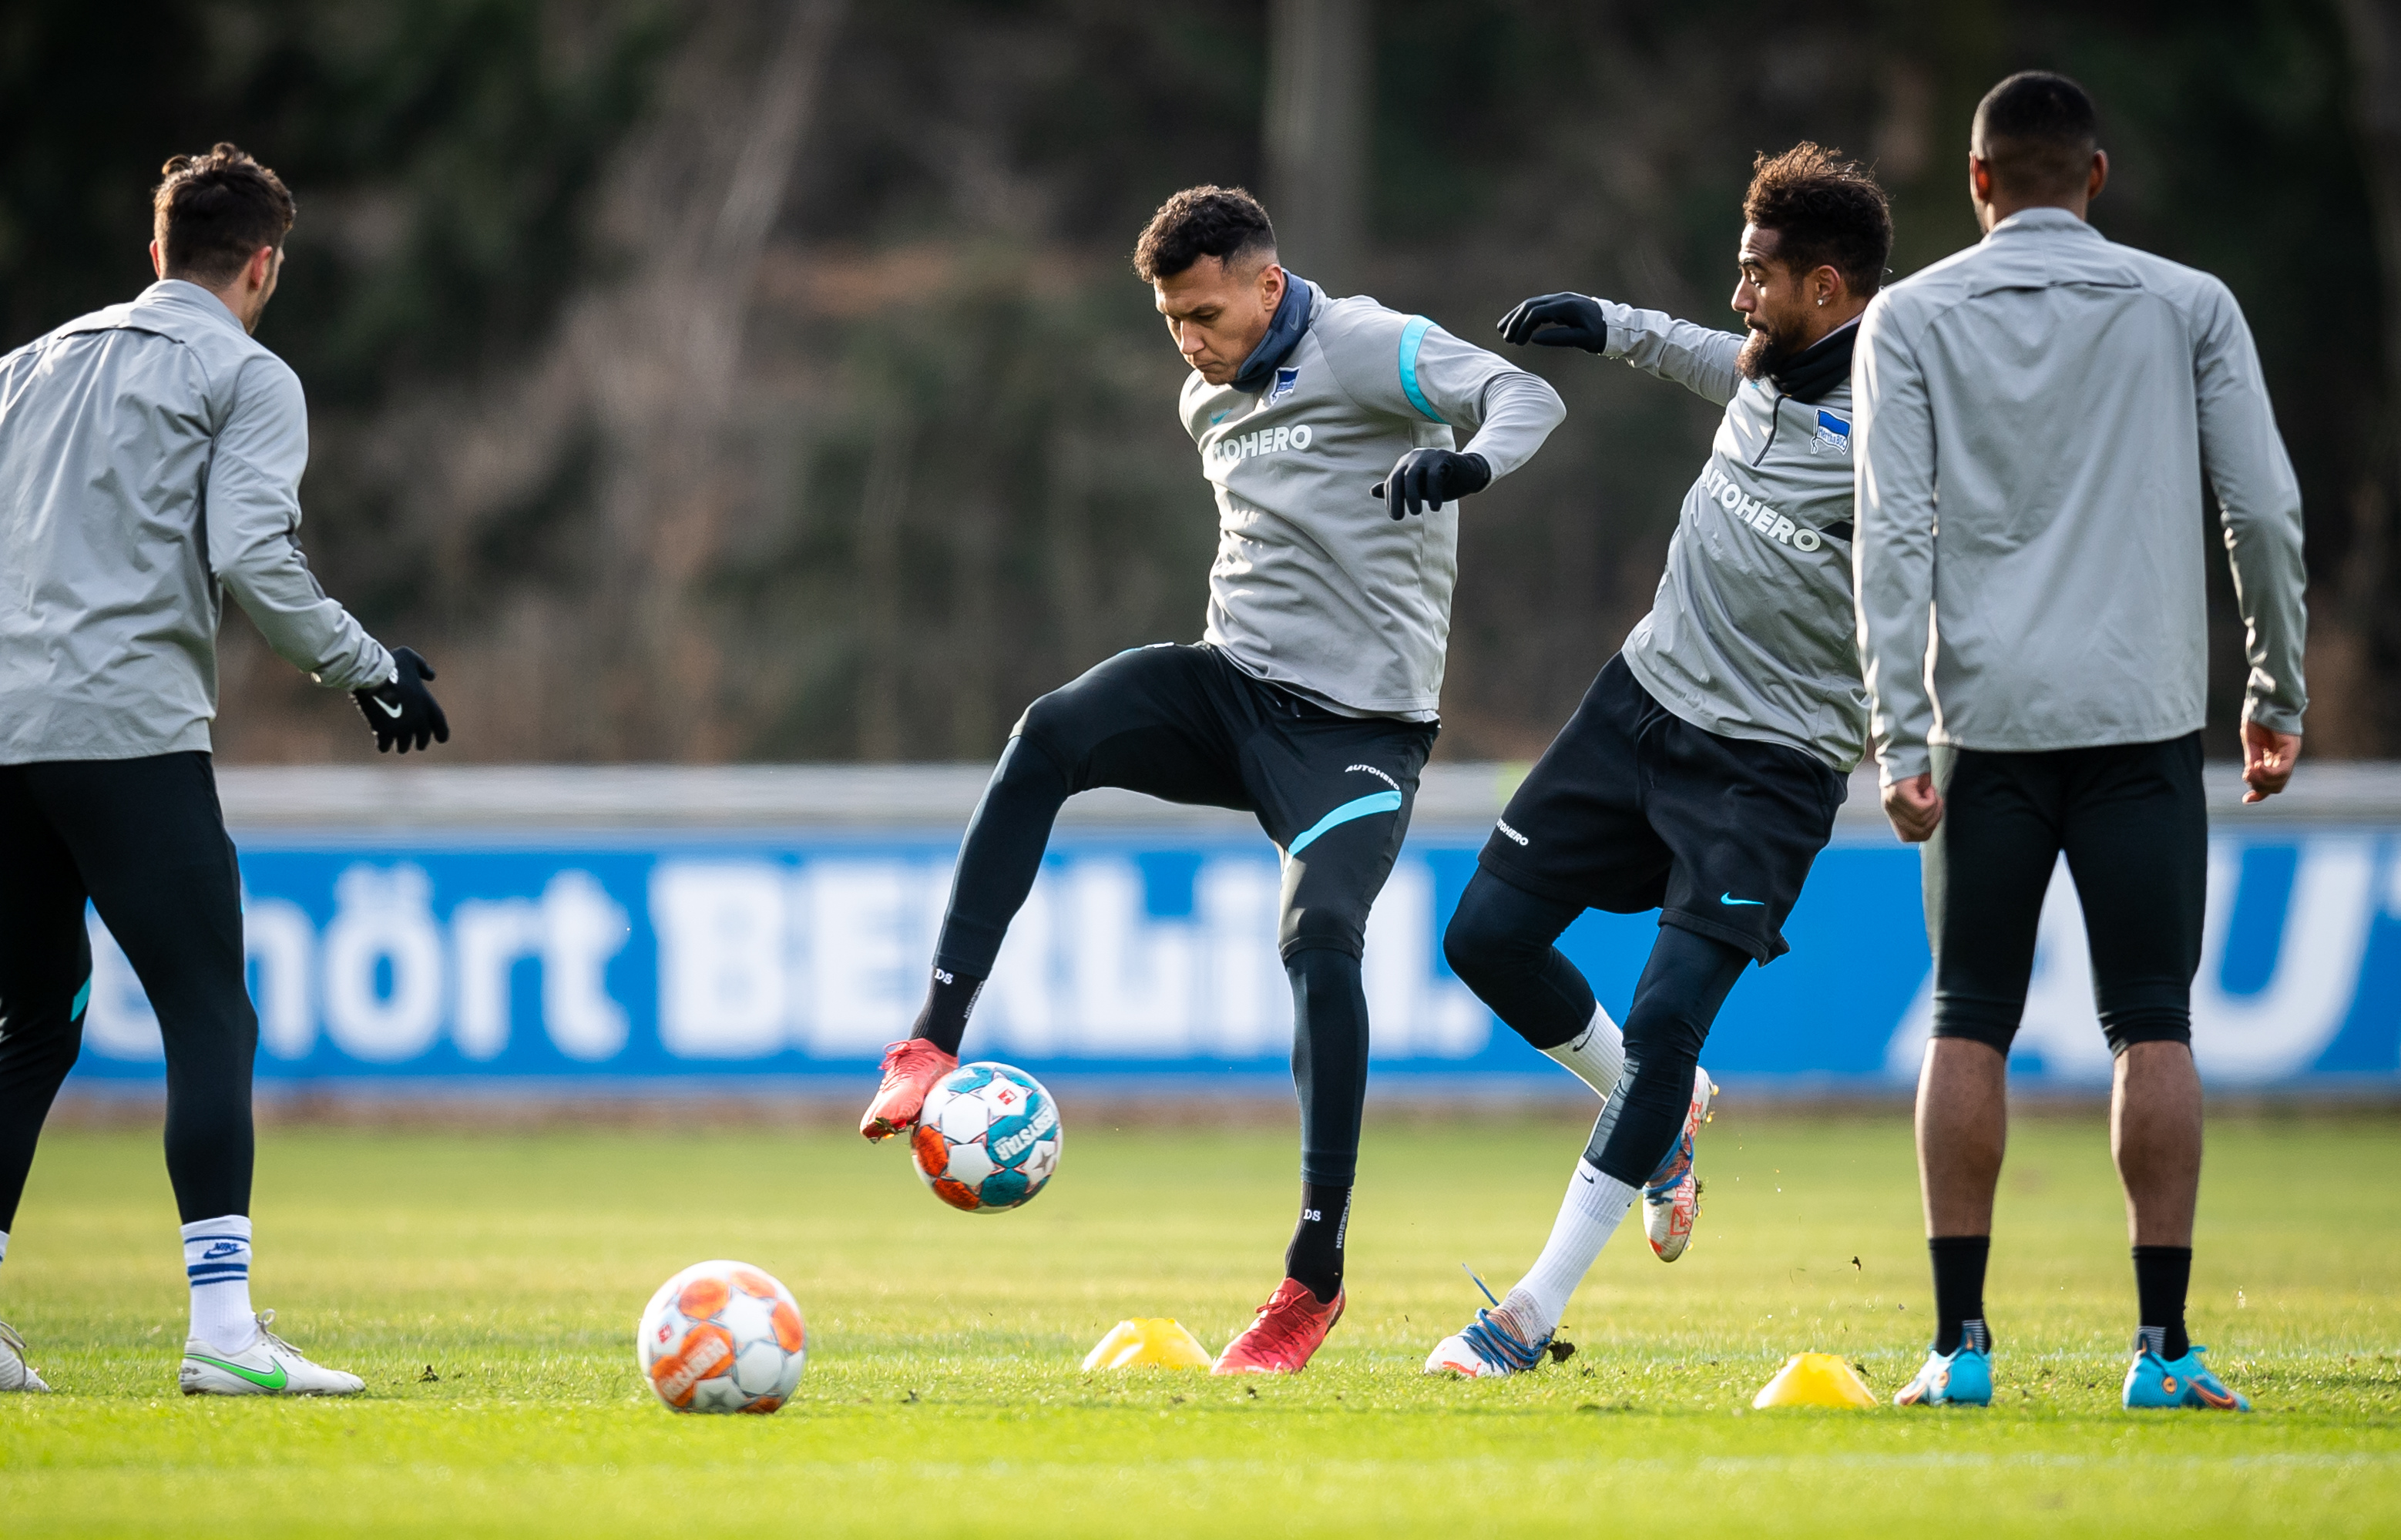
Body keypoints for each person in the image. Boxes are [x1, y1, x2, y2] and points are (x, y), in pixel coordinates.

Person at [856, 185, 1564, 1373]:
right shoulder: (1208, 397)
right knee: (1048, 734)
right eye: (1171, 318)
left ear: (1267, 286)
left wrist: (1470, 468)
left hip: (1358, 733)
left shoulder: (1363, 344)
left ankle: (1313, 1279)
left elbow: (1523, 392)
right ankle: (931, 1039)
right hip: (1231, 689)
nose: (1188, 338)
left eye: (1204, 311)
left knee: (1319, 937)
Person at [1853, 72, 2305, 1412]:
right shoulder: (2188, 306)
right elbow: (2267, 513)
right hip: (2143, 722)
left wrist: (1895, 730)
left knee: (1969, 1019)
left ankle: (1959, 1349)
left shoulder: (1910, 317)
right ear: (2095, 178)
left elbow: (1891, 532)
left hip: (1984, 728)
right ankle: (2163, 1352)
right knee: (2154, 1027)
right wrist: (2276, 689)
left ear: (1979, 181)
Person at [1422, 145, 1892, 1377]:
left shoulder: (1905, 429)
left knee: (1667, 1012)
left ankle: (1527, 1314)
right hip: (1639, 705)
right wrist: (1614, 326)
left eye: (1757, 277)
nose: (1739, 295)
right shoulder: (1772, 366)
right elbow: (1710, 359)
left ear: (1828, 288)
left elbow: (1960, 591)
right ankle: (1662, 1120)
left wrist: (1929, 736)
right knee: (1482, 939)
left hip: (1768, 771)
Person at [0, 144, 448, 1397]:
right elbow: (252, 553)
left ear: (154, 253)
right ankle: (222, 1333)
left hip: (3, 741)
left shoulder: (25, 367)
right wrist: (370, 668)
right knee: (210, 1014)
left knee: (30, 1023)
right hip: (126, 733)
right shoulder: (246, 375)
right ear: (262, 266)